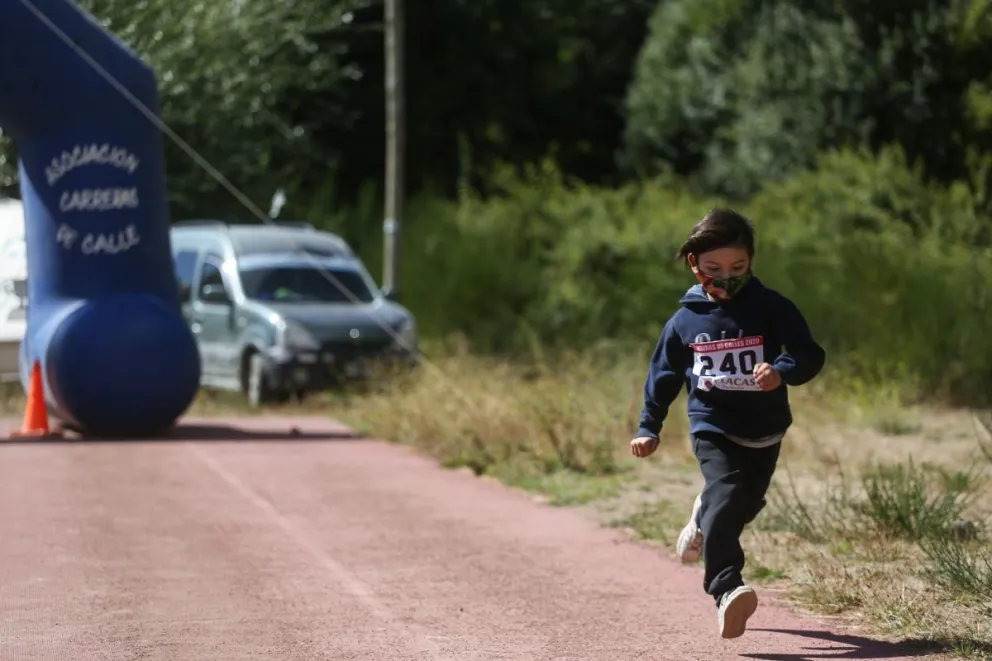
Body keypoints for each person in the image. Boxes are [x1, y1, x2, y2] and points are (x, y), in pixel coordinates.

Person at [629, 207, 825, 640]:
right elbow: (661, 376)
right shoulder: (685, 321)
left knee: (743, 505)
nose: (726, 277)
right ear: (695, 266)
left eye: (738, 267)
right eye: (714, 269)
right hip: (712, 424)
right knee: (729, 490)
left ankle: (703, 516)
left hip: (766, 426)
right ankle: (727, 589)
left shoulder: (772, 307)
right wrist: (649, 427)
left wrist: (782, 370)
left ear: (751, 261)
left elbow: (810, 354)